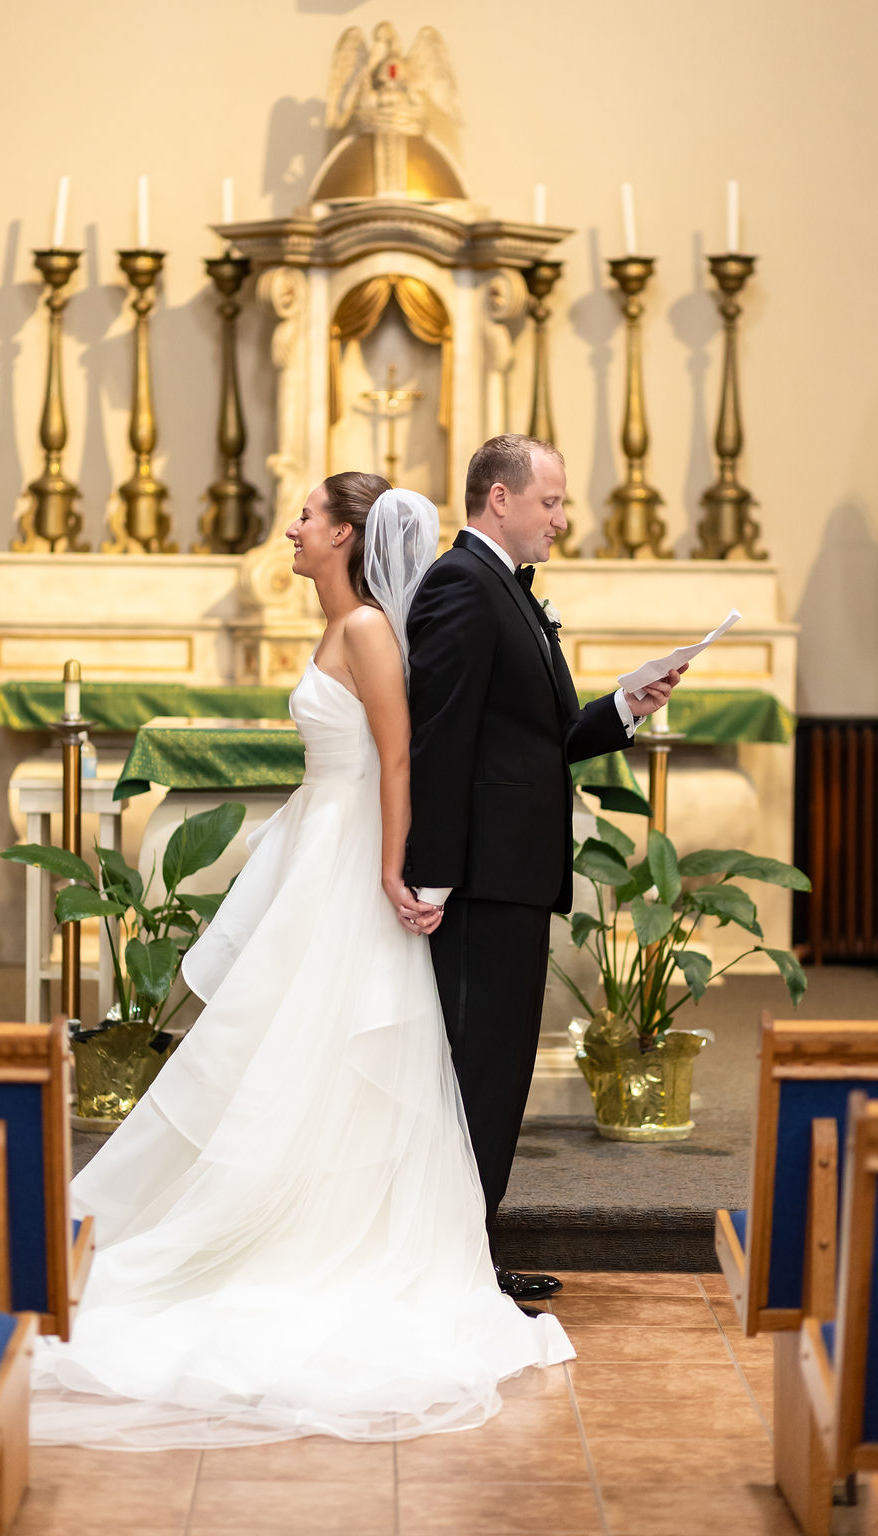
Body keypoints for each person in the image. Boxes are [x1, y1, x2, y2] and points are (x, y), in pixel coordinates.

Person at [29, 472, 573, 1451]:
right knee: (275, 1050)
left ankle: (324, 1236)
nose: (292, 528)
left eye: (308, 517)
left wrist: (395, 865)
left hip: (351, 864)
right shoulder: (341, 627)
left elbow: (400, 758)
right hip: (317, 853)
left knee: (328, 1050)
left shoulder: (367, 629)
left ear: (346, 535)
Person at [405, 435, 683, 1302]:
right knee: (480, 1074)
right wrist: (435, 875)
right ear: (499, 499)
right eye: (551, 503)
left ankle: (468, 1253)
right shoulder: (463, 585)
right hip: (483, 883)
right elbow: (441, 738)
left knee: (497, 1074)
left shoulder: (509, 591)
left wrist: (622, 707)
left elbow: (547, 733)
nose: (562, 519)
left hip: (512, 878)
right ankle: (458, 1267)